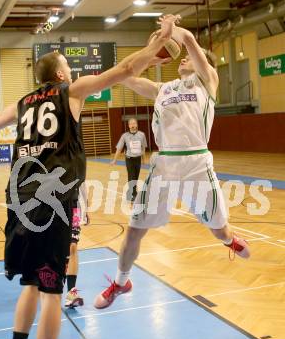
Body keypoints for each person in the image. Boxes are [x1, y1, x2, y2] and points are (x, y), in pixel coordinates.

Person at [0, 17, 176, 339]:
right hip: (53, 199)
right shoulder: (72, 92)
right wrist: (156, 43)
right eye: (67, 64)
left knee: (30, 283)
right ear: (60, 72)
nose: (71, 68)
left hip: (20, 200)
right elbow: (126, 69)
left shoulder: (21, 104)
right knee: (51, 289)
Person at [94, 17, 251, 310]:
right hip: (164, 164)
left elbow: (190, 44)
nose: (182, 62)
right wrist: (152, 48)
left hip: (196, 163)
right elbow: (123, 75)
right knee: (134, 229)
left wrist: (175, 31)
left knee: (218, 229)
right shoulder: (161, 89)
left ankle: (229, 239)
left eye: (190, 60)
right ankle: (121, 281)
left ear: (203, 63)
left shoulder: (208, 82)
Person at [111, 118, 147, 202]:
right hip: (129, 159)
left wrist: (144, 159)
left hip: (138, 159)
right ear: (128, 125)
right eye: (131, 124)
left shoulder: (142, 135)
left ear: (137, 124)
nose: (133, 125)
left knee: (136, 177)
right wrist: (114, 160)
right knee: (131, 176)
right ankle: (133, 194)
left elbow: (143, 148)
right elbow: (119, 149)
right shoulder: (125, 136)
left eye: (134, 123)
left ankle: (130, 192)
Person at [65, 182, 88, 308]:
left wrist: (86, 210)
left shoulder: (79, 162)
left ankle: (71, 294)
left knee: (73, 247)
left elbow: (83, 183)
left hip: (75, 208)